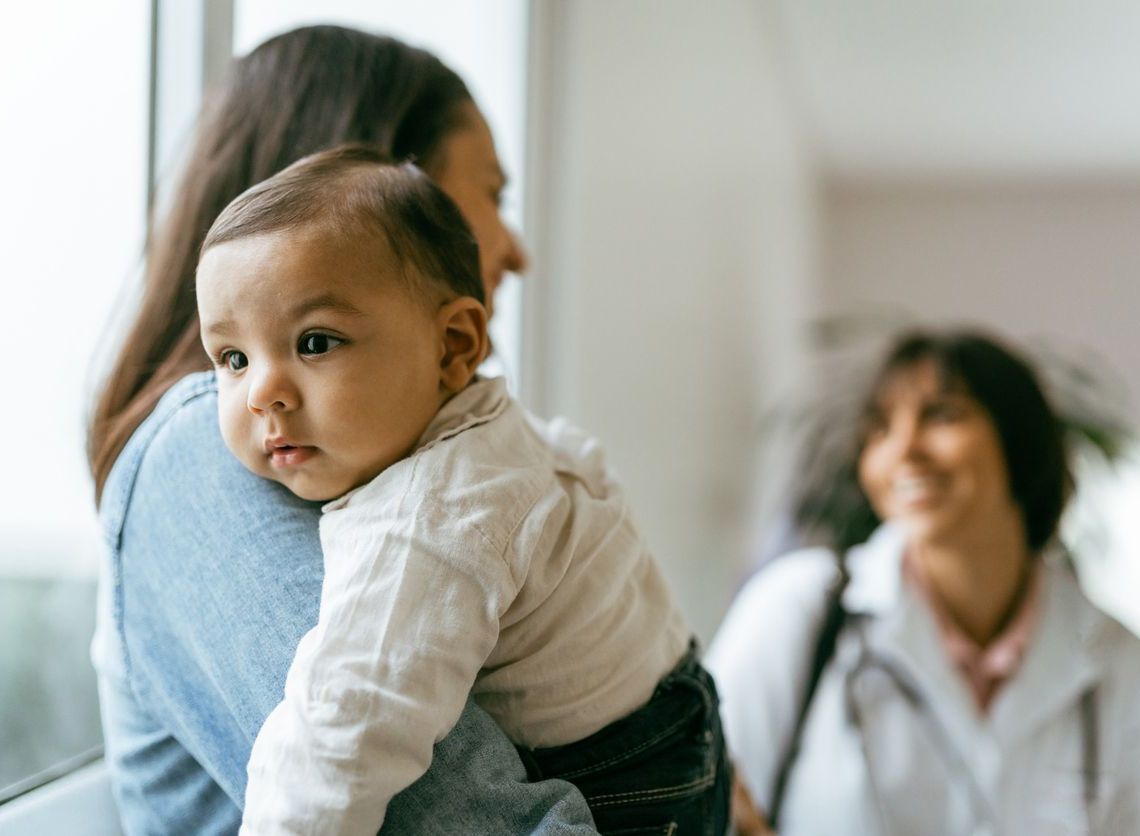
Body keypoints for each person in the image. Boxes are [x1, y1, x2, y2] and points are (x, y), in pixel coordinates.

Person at [88, 25, 592, 833]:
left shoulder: (430, 458)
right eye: (492, 195)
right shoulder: (204, 461)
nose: (515, 250)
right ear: (390, 195)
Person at [194, 145, 729, 835]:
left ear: (453, 345)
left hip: (625, 791)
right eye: (232, 358)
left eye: (316, 342)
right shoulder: (498, 433)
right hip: (681, 720)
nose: (263, 391)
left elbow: (337, 745)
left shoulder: (429, 517)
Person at [707, 329, 1140, 835]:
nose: (904, 449)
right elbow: (695, 801)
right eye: (880, 429)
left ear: (1020, 440)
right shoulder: (801, 608)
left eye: (942, 415)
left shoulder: (1117, 665)